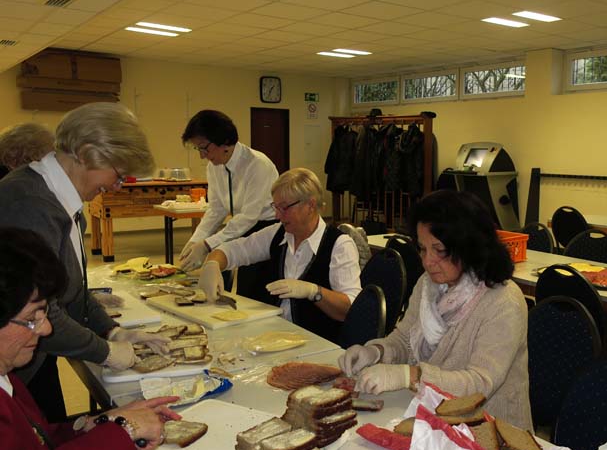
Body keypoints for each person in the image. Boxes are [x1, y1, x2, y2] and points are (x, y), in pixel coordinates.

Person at [0, 102, 169, 422]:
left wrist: (113, 331)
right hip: (16, 367)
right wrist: (105, 351)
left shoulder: (63, 200)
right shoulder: (29, 204)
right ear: (87, 153)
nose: (118, 186)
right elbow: (39, 311)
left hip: (37, 357)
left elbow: (72, 288)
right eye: (118, 174)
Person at [339, 190, 533, 430]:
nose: (427, 261)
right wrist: (376, 352)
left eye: (439, 250)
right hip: (434, 416)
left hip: (490, 430)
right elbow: (405, 339)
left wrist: (410, 376)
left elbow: (480, 384)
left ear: (467, 246)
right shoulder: (428, 283)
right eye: (422, 248)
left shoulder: (504, 301)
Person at [0, 227, 181, 450]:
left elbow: (40, 442)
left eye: (45, 313)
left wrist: (104, 422)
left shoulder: (8, 379)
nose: (47, 328)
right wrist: (125, 429)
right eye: (32, 318)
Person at [198, 168, 361, 343]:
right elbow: (234, 250)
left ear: (310, 205)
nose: (277, 215)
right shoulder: (278, 233)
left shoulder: (339, 245)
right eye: (275, 207)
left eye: (284, 208)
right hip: (274, 335)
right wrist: (213, 263)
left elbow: (351, 309)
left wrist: (314, 291)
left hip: (318, 343)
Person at [178, 109, 280, 299]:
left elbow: (249, 218)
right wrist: (196, 240)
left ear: (224, 141)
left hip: (266, 231)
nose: (202, 156)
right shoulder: (214, 166)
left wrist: (207, 244)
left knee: (254, 293)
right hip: (239, 226)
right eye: (198, 149)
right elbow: (216, 209)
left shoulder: (257, 165)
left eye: (204, 148)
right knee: (233, 287)